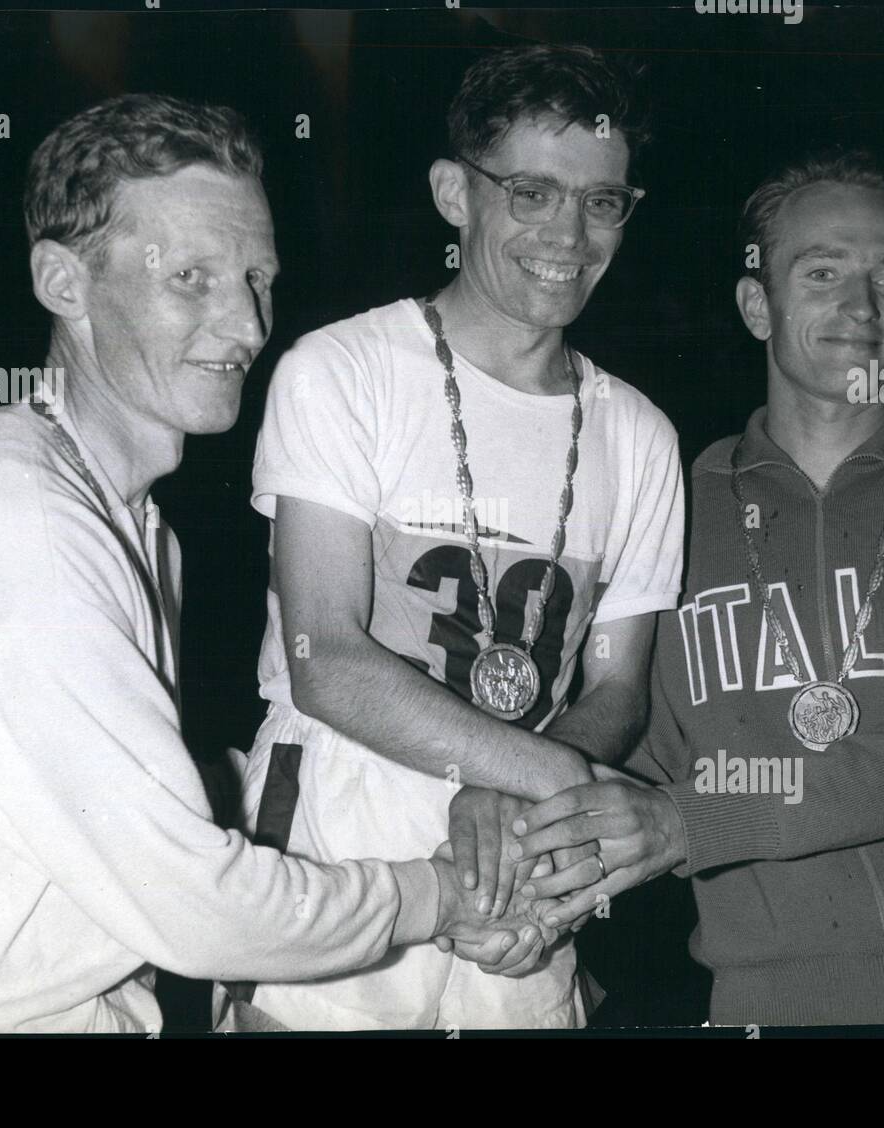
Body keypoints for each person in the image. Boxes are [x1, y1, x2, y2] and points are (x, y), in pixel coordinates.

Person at [0, 93, 544, 1035]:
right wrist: (437, 895)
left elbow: (105, 796)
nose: (245, 325)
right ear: (64, 283)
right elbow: (201, 907)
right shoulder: (14, 523)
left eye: (258, 278)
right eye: (190, 277)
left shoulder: (107, 513)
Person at [511, 150, 884, 1025]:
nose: (861, 309)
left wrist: (684, 826)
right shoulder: (664, 509)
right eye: (822, 272)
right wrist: (521, 863)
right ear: (758, 304)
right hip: (774, 1005)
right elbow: (629, 747)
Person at [237, 44, 686, 1030]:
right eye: (532, 192)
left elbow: (613, 691)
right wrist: (527, 774)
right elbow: (326, 661)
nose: (569, 235)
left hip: (525, 860)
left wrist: (520, 802)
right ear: (454, 193)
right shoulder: (340, 371)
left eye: (602, 202)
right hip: (340, 834)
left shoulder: (639, 434)